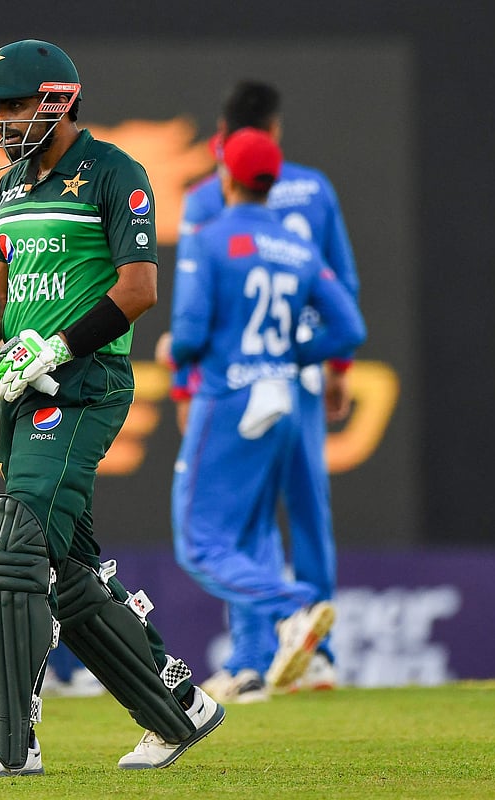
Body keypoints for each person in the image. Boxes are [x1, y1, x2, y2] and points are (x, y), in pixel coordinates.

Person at [0, 39, 225, 776]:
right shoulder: (11, 186)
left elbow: (139, 290)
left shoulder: (113, 172)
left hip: (85, 385)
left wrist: (57, 348)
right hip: (24, 391)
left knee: (13, 547)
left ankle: (8, 743)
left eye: (11, 106)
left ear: (57, 102)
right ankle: (178, 707)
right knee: (69, 572)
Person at [176, 80, 361, 698]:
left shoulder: (206, 200)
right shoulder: (312, 190)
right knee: (308, 510)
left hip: (233, 381)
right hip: (294, 375)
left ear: (222, 144)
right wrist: (334, 367)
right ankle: (318, 656)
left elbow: (194, 314)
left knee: (237, 522)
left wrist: (183, 384)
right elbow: (345, 291)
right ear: (276, 136)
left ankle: (256, 654)